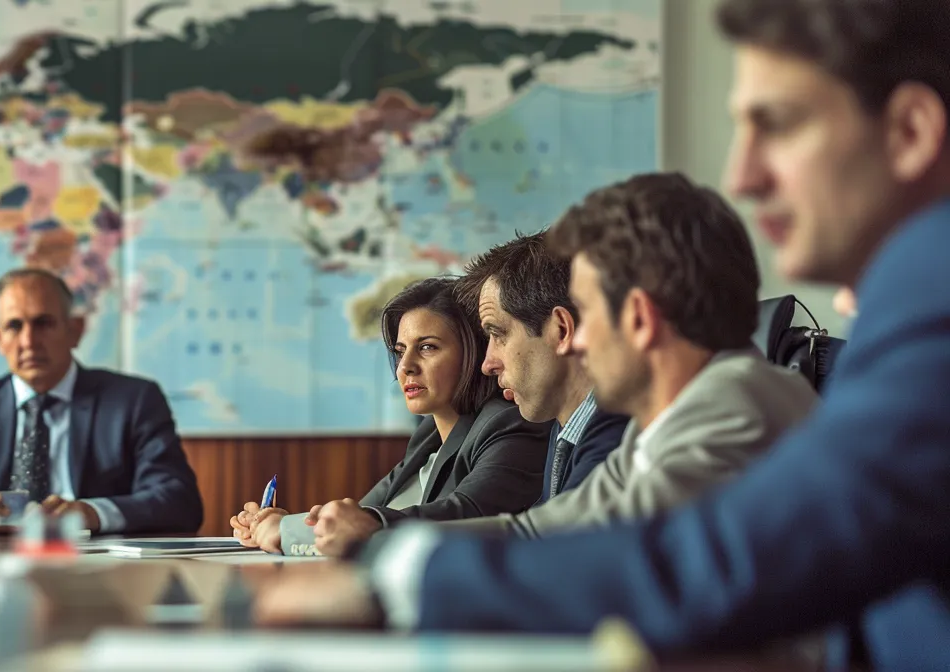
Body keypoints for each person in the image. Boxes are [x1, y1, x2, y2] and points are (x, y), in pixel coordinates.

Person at [255, 0, 950, 666]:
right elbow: (560, 530)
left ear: (911, 132)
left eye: (780, 123)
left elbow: (706, 564)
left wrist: (399, 576)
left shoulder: (919, 303)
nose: (743, 175)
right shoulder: (894, 306)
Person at [444, 174, 821, 543]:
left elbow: (596, 557)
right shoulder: (660, 420)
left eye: (588, 313)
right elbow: (541, 532)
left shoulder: (734, 406)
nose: (580, 341)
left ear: (639, 318)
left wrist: (417, 571)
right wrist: (406, 550)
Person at [230, 278, 551, 556]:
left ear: (475, 352)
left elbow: (466, 517)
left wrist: (287, 531)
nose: (404, 367)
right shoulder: (428, 436)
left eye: (427, 348)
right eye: (400, 351)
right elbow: (357, 516)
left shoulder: (509, 423)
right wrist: (280, 525)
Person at [0, 268, 203, 534]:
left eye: (43, 323)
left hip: (93, 567)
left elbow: (180, 501)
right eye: (14, 326)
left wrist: (91, 514)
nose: (29, 341)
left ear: (75, 330)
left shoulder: (132, 401)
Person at [460, 232, 629, 505]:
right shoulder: (562, 426)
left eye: (499, 334)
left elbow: (565, 536)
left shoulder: (620, 432)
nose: (487, 364)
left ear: (561, 331)